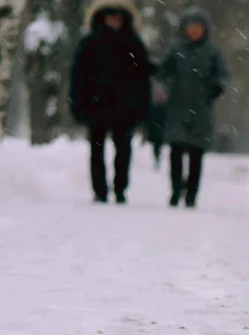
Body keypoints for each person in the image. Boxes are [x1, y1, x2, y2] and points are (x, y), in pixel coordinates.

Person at [69, 0, 153, 204]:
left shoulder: (133, 43)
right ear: (102, 18)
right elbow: (78, 76)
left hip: (124, 107)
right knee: (97, 150)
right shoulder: (89, 43)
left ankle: (120, 188)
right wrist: (79, 102)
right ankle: (100, 190)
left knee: (123, 149)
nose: (114, 21)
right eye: (110, 16)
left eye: (118, 17)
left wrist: (141, 106)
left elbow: (142, 78)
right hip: (96, 105)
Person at [157, 7, 230, 208]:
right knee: (176, 151)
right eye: (191, 27)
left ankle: (191, 193)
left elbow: (223, 75)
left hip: (201, 110)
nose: (194, 31)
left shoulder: (213, 52)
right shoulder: (176, 49)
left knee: (196, 154)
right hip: (177, 107)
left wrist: (217, 88)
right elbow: (163, 71)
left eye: (198, 28)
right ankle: (174, 190)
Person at [144, 78, 167, 170]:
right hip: (157, 129)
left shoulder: (161, 109)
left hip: (159, 130)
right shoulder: (154, 109)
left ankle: (157, 159)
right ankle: (157, 159)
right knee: (156, 146)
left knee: (157, 145)